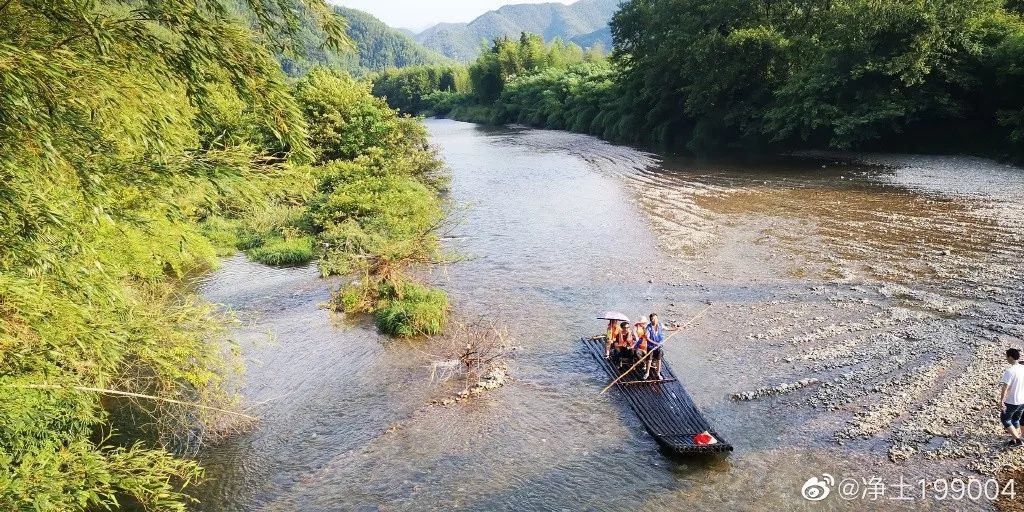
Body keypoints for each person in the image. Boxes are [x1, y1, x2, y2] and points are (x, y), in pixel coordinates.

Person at [999, 348, 1024, 447]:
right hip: (1022, 401)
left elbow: (1005, 387)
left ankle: (1018, 440)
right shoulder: (1023, 368)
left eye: (1006, 356)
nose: (1006, 358)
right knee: (1015, 420)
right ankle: (1014, 439)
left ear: (1010, 357)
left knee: (1005, 419)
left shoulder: (1009, 371)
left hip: (1012, 401)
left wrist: (1001, 401)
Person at [644, 313, 679, 380]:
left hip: (659, 346)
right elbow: (647, 338)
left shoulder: (660, 325)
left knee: (659, 360)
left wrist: (676, 329)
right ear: (650, 320)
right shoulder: (648, 327)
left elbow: (667, 329)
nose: (655, 320)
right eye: (653, 319)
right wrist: (655, 343)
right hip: (651, 346)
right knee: (649, 360)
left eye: (656, 319)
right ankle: (647, 373)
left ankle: (658, 373)